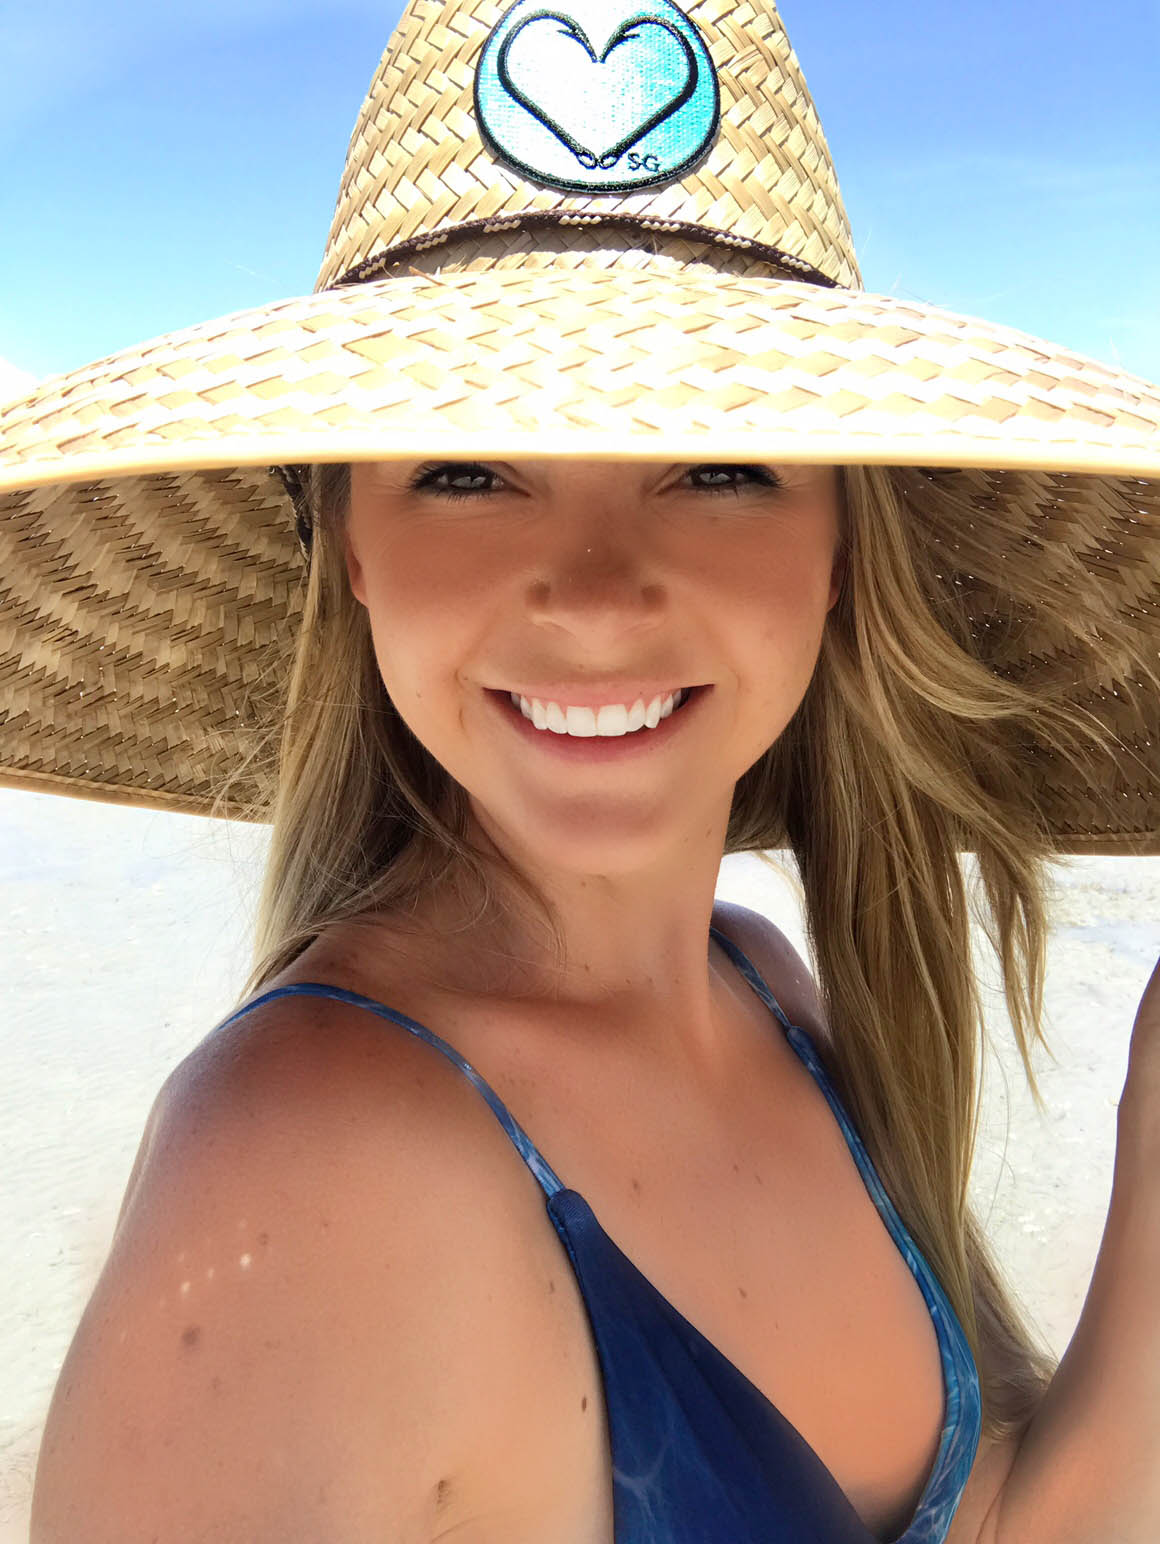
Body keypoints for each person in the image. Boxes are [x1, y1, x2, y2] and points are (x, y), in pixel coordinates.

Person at [3, 0, 1159, 1539]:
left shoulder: (768, 991)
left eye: (722, 465)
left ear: (838, 547)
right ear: (348, 548)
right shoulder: (298, 1167)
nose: (599, 597)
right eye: (467, 469)